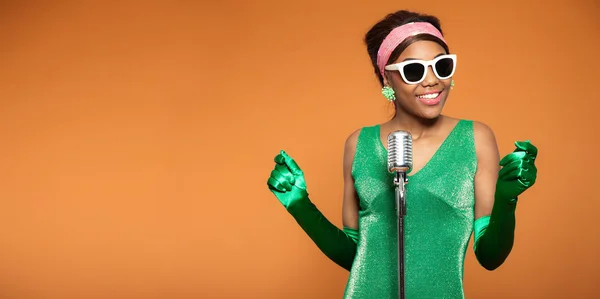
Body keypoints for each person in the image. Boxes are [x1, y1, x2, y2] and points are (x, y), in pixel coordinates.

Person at [266, 9, 538, 299]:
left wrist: (506, 200)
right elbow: (355, 256)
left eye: (441, 66)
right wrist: (300, 206)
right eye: (413, 70)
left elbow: (490, 257)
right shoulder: (359, 143)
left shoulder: (476, 138)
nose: (432, 80)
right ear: (387, 80)